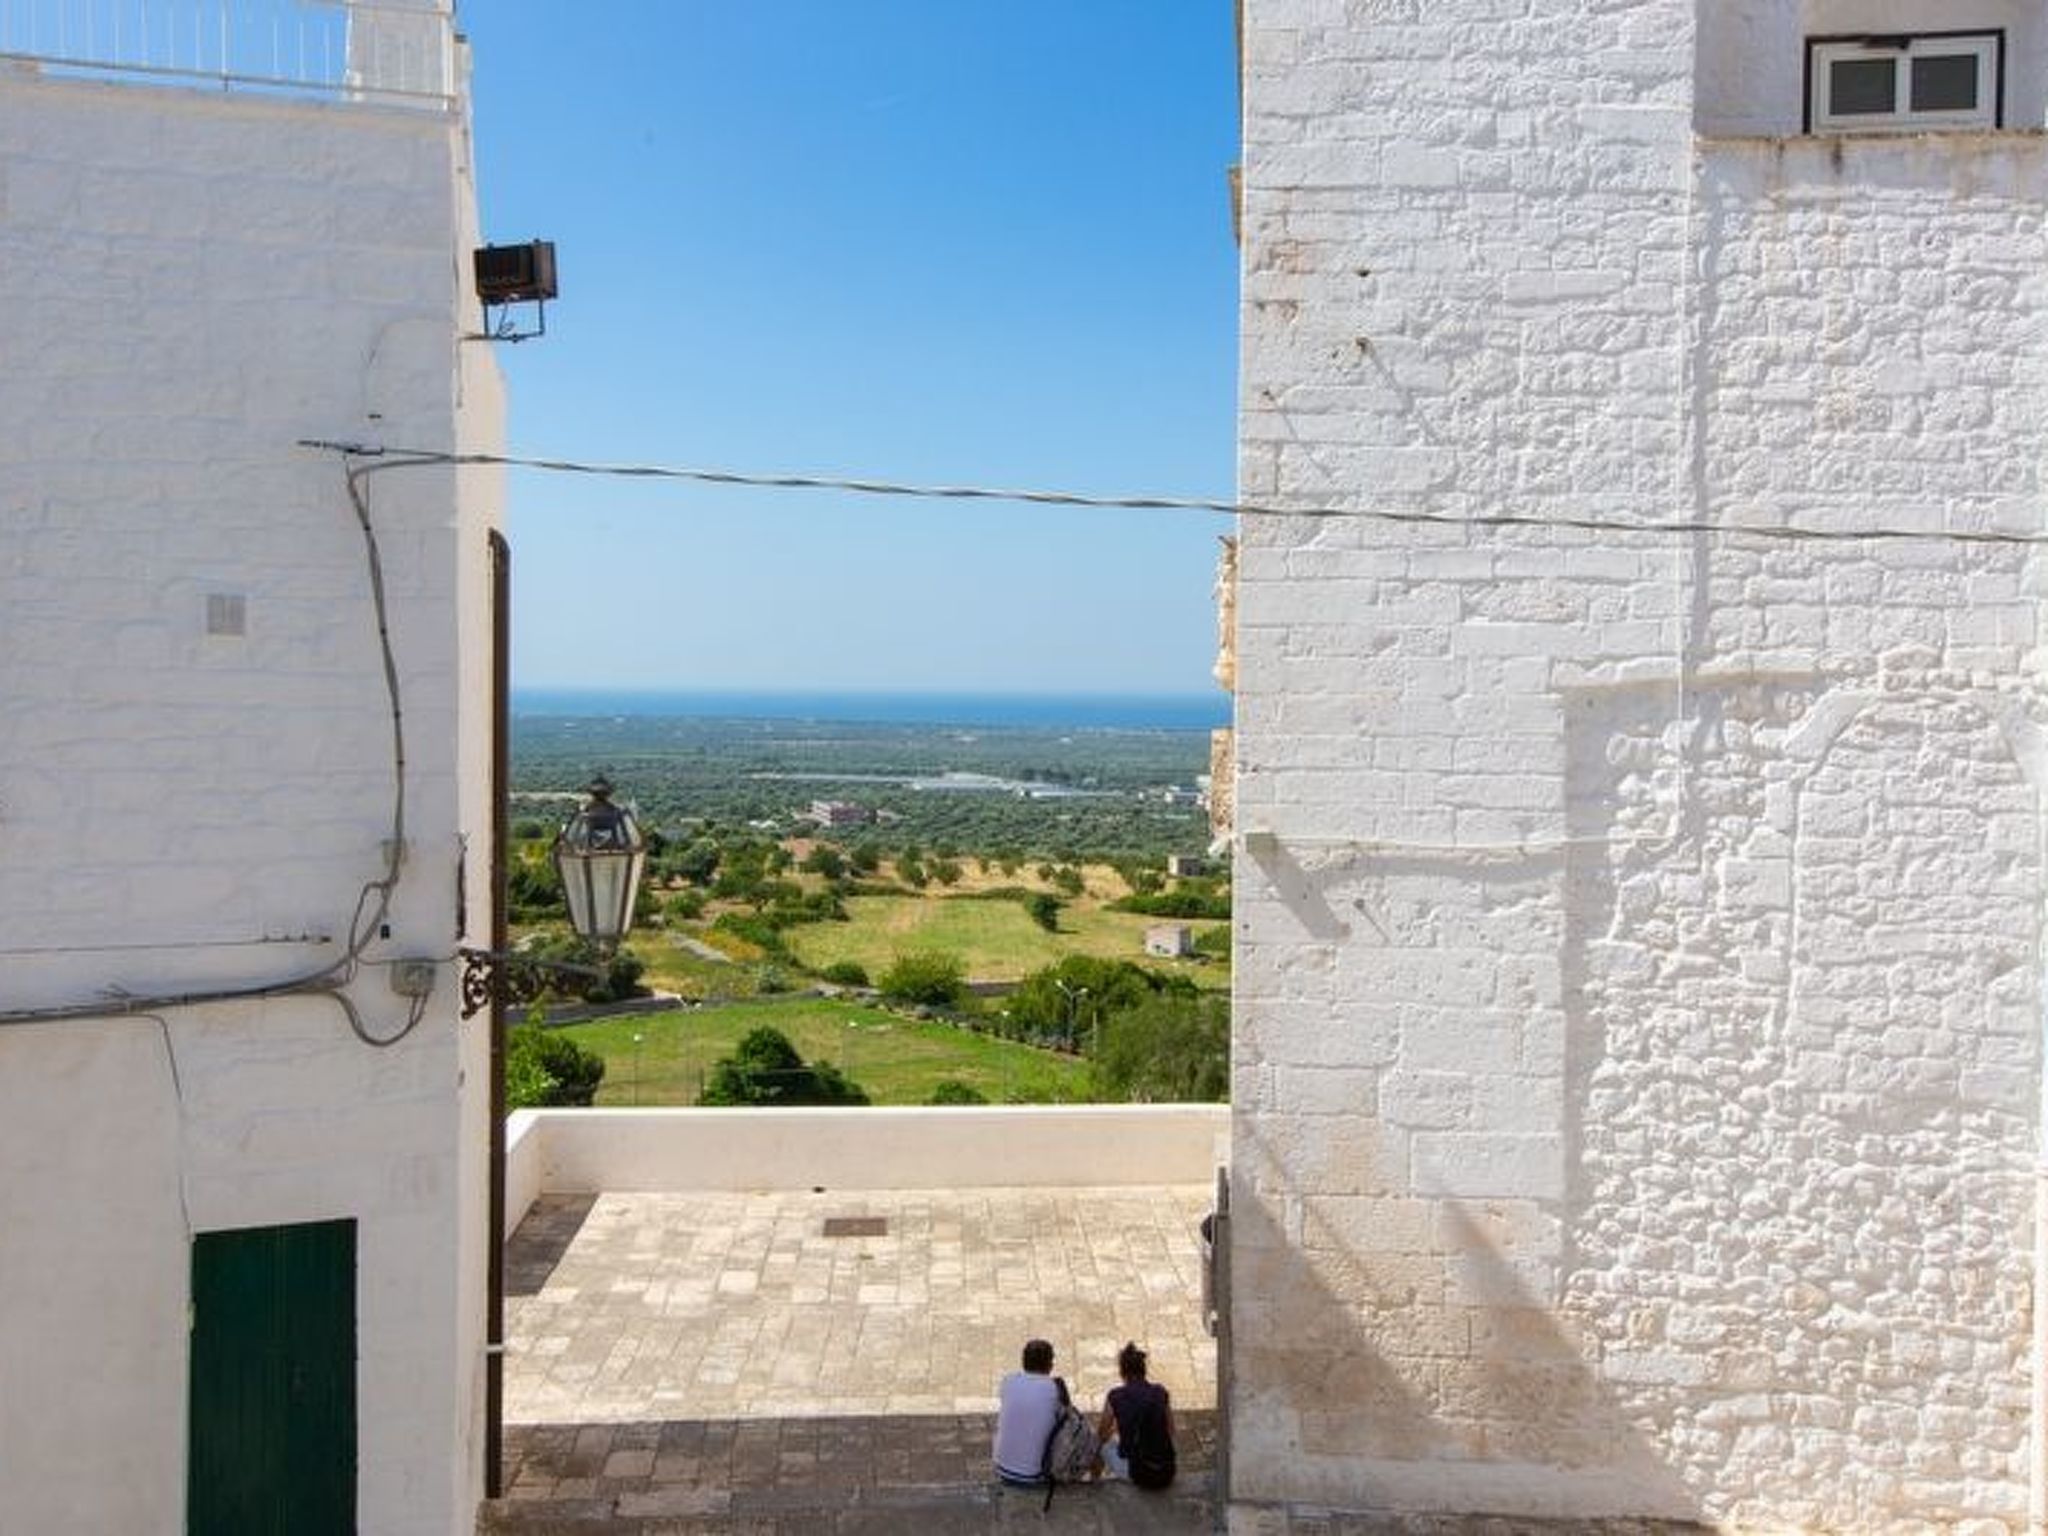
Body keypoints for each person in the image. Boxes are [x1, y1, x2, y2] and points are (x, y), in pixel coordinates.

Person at [1096, 1341, 1176, 1489]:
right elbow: (1170, 1431)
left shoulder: (1116, 1396)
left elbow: (1101, 1434)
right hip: (1166, 1471)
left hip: (1138, 1473)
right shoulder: (1160, 1392)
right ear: (1144, 1371)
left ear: (1122, 1372)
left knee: (1102, 1445)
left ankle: (1096, 1482)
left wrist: (1116, 1429)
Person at [992, 1337, 1068, 1486]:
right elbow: (1069, 1422)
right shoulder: (1055, 1387)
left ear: (1024, 1362)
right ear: (1049, 1364)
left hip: (1002, 1467)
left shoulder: (1008, 1381)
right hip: (1035, 1474)